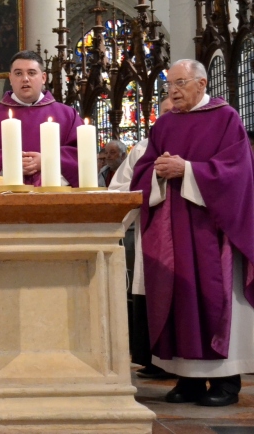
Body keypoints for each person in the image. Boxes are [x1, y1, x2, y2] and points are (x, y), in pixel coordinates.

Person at [131, 59, 254, 407]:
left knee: (216, 300)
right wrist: (156, 173)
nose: (172, 91)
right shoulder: (164, 124)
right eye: (169, 85)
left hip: (213, 229)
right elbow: (143, 168)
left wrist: (187, 170)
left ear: (201, 84)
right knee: (179, 298)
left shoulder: (226, 118)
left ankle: (226, 382)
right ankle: (188, 380)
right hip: (172, 229)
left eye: (180, 83)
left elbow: (238, 172)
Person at [110, 97, 173, 380]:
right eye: (165, 112)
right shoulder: (144, 148)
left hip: (189, 233)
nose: (170, 116)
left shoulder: (196, 142)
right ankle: (154, 360)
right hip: (152, 230)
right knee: (150, 287)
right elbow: (121, 188)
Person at [0, 50, 81, 186]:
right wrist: (9, 162)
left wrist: (48, 161)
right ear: (10, 78)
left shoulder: (68, 115)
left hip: (54, 194)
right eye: (18, 73)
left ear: (43, 78)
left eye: (31, 73)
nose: (25, 79)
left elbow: (82, 154)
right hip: (5, 195)